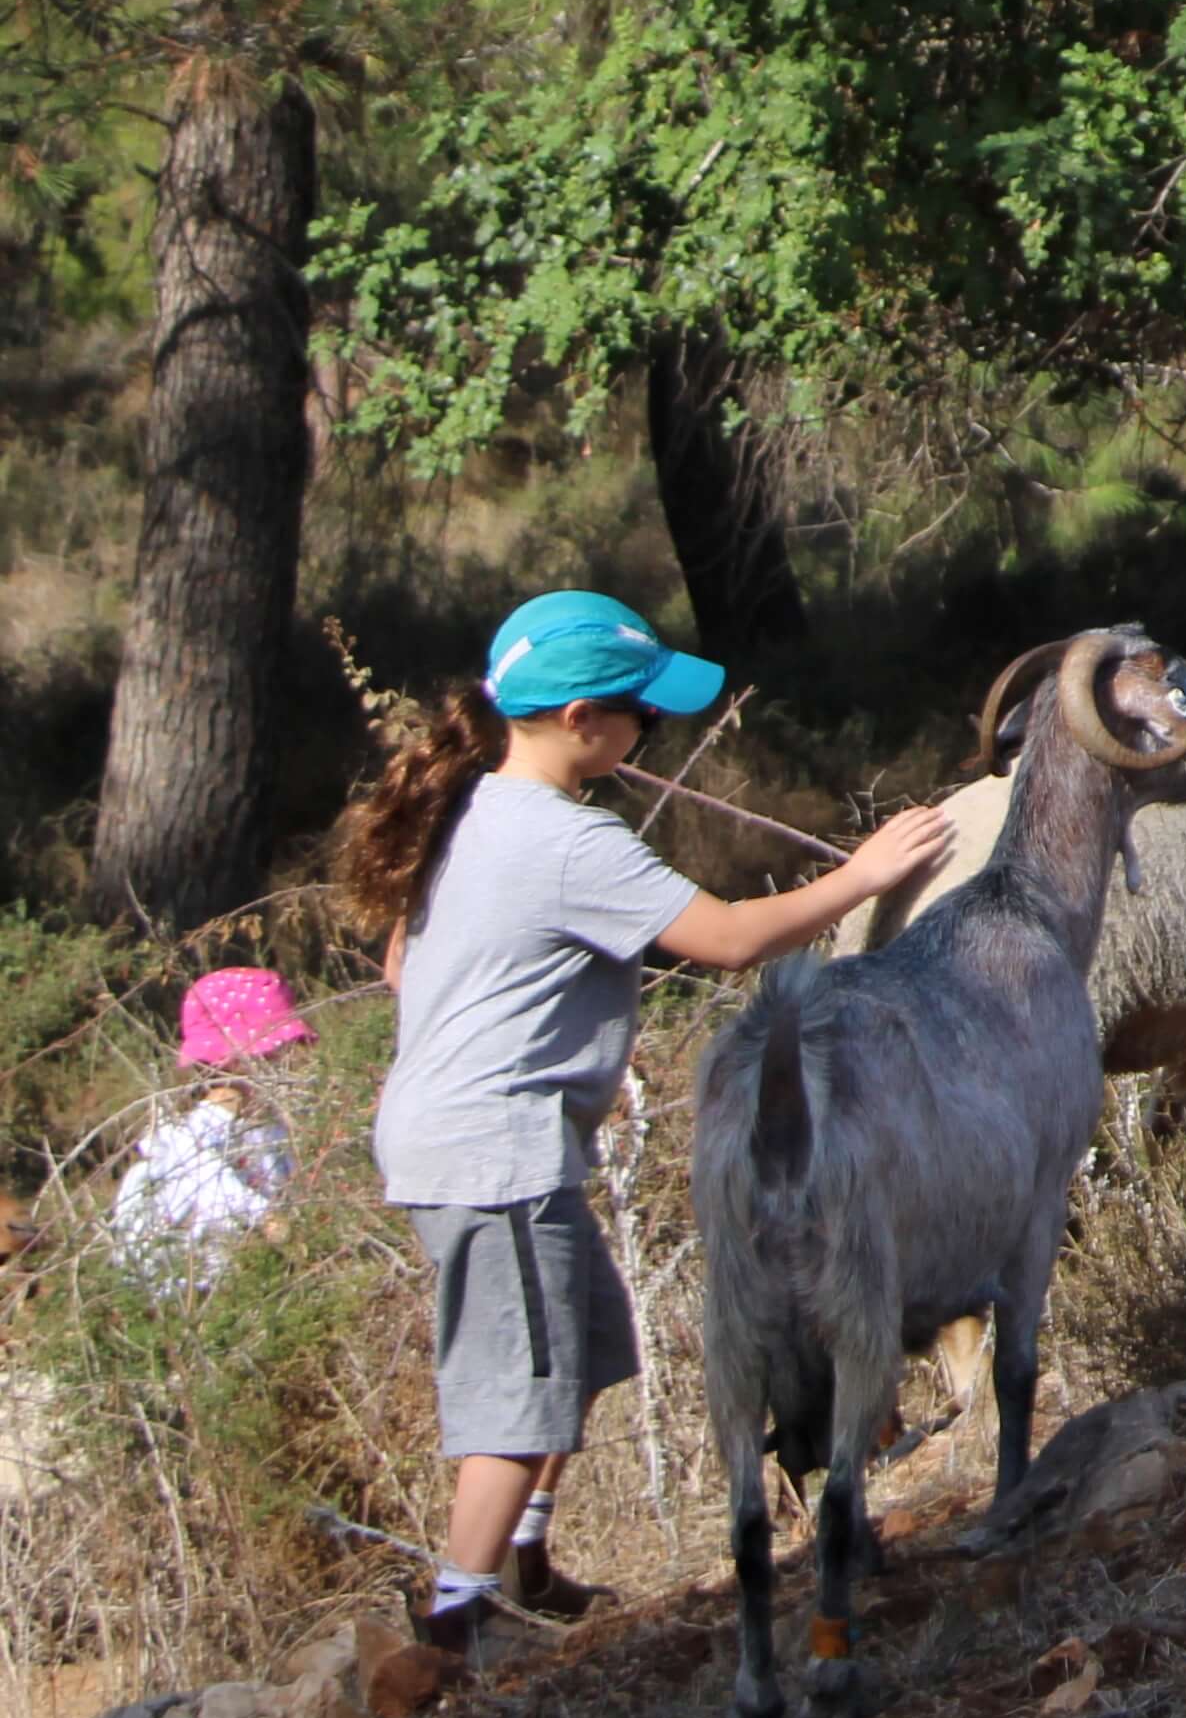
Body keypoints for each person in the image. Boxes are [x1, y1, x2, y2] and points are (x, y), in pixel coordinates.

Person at [333, 592, 959, 1653]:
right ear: (583, 720)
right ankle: (451, 1624)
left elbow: (403, 961)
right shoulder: (567, 841)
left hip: (474, 1136)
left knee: (579, 1343)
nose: (649, 739)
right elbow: (723, 937)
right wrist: (861, 876)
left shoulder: (473, 808)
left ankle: (527, 1565)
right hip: (495, 1154)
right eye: (644, 719)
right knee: (518, 1394)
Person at [108, 968, 314, 1292]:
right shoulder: (202, 1128)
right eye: (275, 1055)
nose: (285, 1062)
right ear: (232, 1061)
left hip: (255, 1277)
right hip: (193, 1285)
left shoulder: (267, 1126)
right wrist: (269, 1219)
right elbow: (217, 1188)